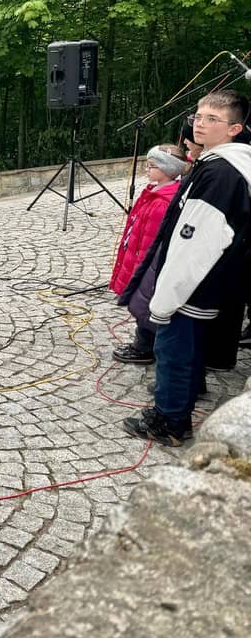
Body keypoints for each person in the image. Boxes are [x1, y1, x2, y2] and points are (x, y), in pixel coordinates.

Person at [122, 90, 251, 446]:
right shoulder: (221, 164)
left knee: (174, 349)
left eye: (213, 119)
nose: (200, 124)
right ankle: (183, 400)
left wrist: (166, 296)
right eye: (199, 116)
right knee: (189, 347)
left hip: (194, 283)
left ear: (234, 129)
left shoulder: (220, 174)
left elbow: (196, 241)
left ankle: (170, 421)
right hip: (210, 281)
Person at [111, 145, 186, 364]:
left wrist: (138, 269)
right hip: (137, 259)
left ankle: (143, 347)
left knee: (144, 306)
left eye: (152, 165)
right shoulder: (153, 193)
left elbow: (150, 243)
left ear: (168, 169)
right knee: (141, 304)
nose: (146, 169)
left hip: (146, 266)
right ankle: (144, 343)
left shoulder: (162, 202)